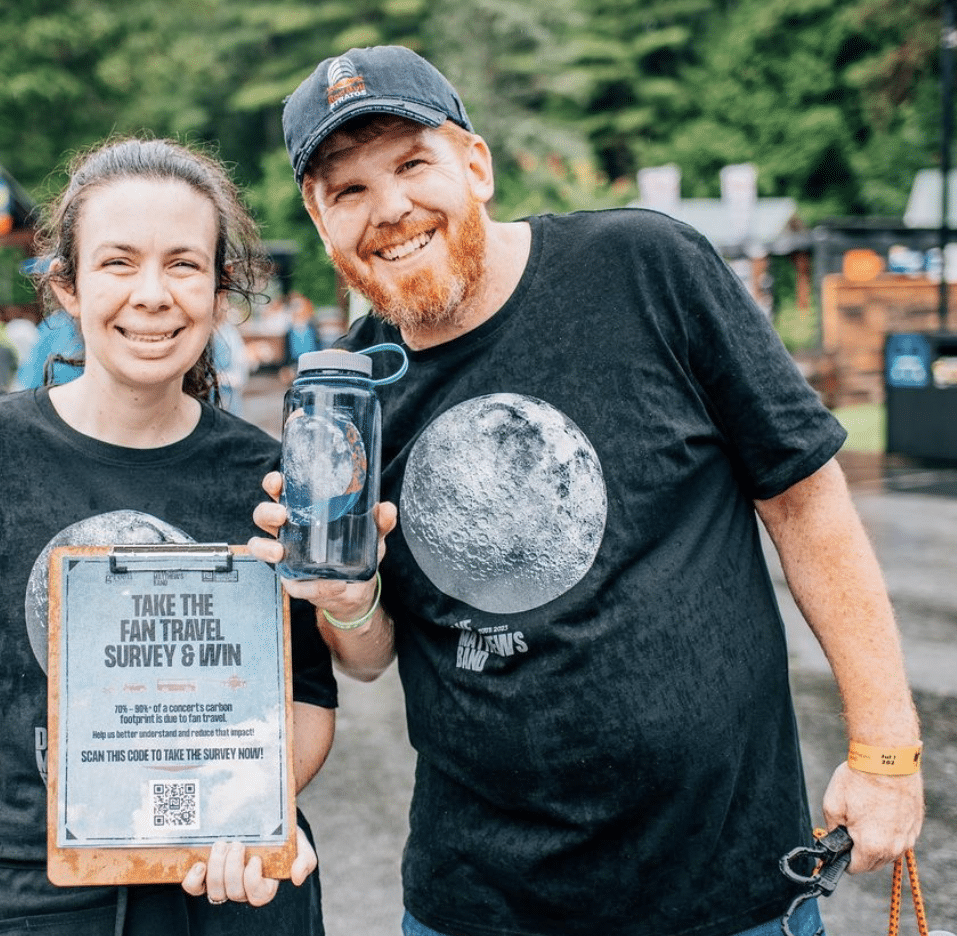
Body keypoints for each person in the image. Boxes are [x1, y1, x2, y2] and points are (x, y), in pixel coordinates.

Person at [249, 45, 925, 936]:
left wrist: (884, 750)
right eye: (348, 190)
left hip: (724, 889)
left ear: (476, 164)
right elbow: (374, 655)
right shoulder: (354, 397)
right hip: (478, 904)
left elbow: (806, 503)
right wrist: (346, 598)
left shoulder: (647, 267)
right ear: (319, 216)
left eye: (413, 163)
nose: (391, 208)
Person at [0, 138, 336, 936]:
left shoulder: (274, 479)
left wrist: (247, 808)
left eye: (184, 264)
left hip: (223, 906)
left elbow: (308, 701)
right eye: (118, 262)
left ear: (221, 293)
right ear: (67, 288)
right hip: (13, 909)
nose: (152, 294)